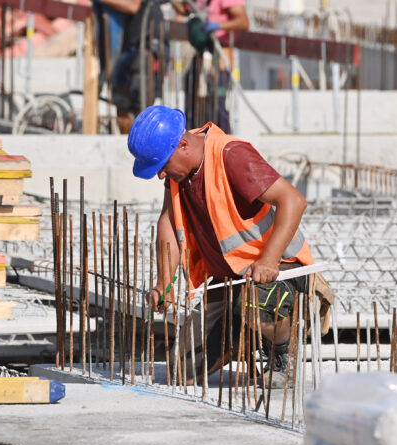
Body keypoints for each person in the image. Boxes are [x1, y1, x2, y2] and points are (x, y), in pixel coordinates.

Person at [127, 105, 332, 386]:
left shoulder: (231, 155)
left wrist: (269, 259)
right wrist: (164, 284)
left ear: (183, 145)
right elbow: (168, 223)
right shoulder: (180, 173)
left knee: (260, 299)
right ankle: (245, 333)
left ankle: (281, 355)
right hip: (229, 282)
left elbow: (293, 200)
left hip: (280, 272)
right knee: (180, 371)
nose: (161, 175)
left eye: (162, 166)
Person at [173, 0, 249, 133]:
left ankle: (224, 145)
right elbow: (186, 10)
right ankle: (194, 141)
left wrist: (219, 25)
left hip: (219, 55)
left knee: (216, 105)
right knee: (193, 104)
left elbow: (243, 21)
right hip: (202, 56)